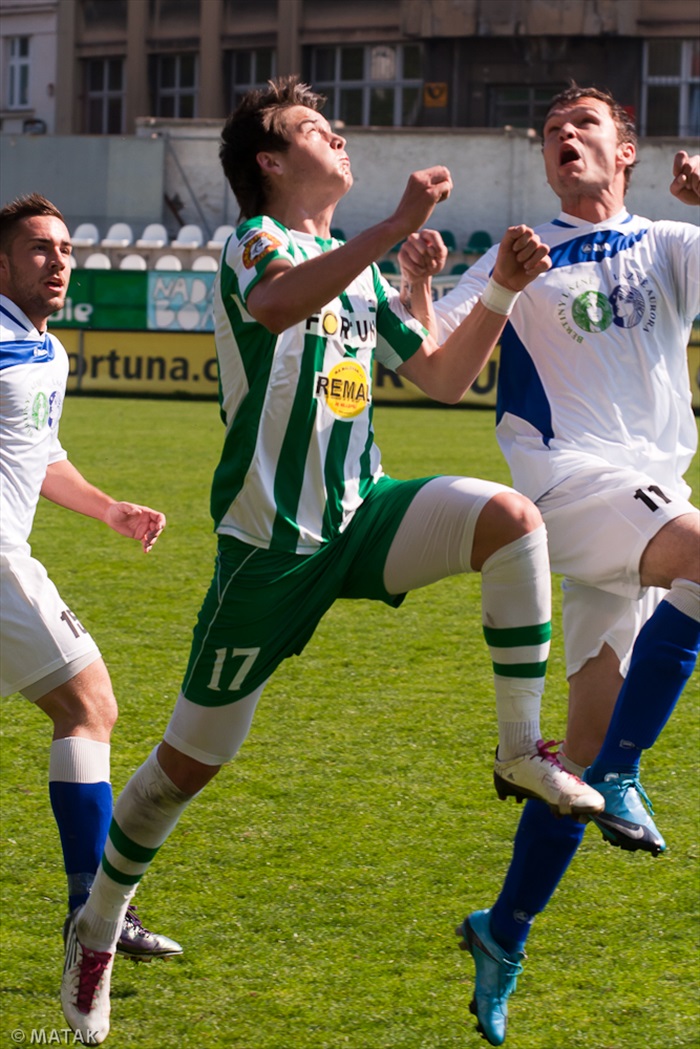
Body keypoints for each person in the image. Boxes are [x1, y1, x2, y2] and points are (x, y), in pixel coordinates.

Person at [58, 76, 604, 1044]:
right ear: (270, 162)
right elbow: (272, 305)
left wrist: (495, 290)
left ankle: (519, 746)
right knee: (184, 767)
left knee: (510, 519)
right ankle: (96, 924)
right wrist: (393, 228)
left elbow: (437, 375)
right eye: (317, 126)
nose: (338, 134)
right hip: (267, 552)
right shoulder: (257, 241)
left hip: (363, 516)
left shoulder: (356, 265)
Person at [398, 84, 700, 1044]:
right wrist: (419, 285)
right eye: (551, 131)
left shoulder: (670, 245)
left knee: (571, 756)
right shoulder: (518, 253)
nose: (565, 138)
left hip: (643, 505)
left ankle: (505, 926)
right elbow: (437, 374)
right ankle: (624, 772)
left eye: (585, 126)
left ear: (628, 151)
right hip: (569, 488)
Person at [0, 194, 183, 969]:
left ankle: (92, 911)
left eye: (66, 248)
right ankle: (92, 913)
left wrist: (109, 509)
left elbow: (39, 454)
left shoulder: (46, 350)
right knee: (89, 702)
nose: (59, 260)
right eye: (40, 248)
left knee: (87, 706)